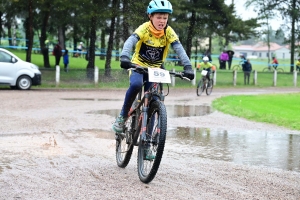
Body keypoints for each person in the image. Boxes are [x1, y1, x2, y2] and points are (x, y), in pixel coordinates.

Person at [112, 0, 194, 148]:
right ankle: (123, 116)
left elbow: (179, 49)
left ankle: (147, 144)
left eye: (165, 18)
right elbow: (130, 41)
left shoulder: (169, 32)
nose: (162, 21)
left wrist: (188, 66)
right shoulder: (144, 28)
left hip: (155, 70)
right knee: (136, 84)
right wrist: (124, 56)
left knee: (154, 100)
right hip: (138, 66)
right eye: (159, 17)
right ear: (150, 16)